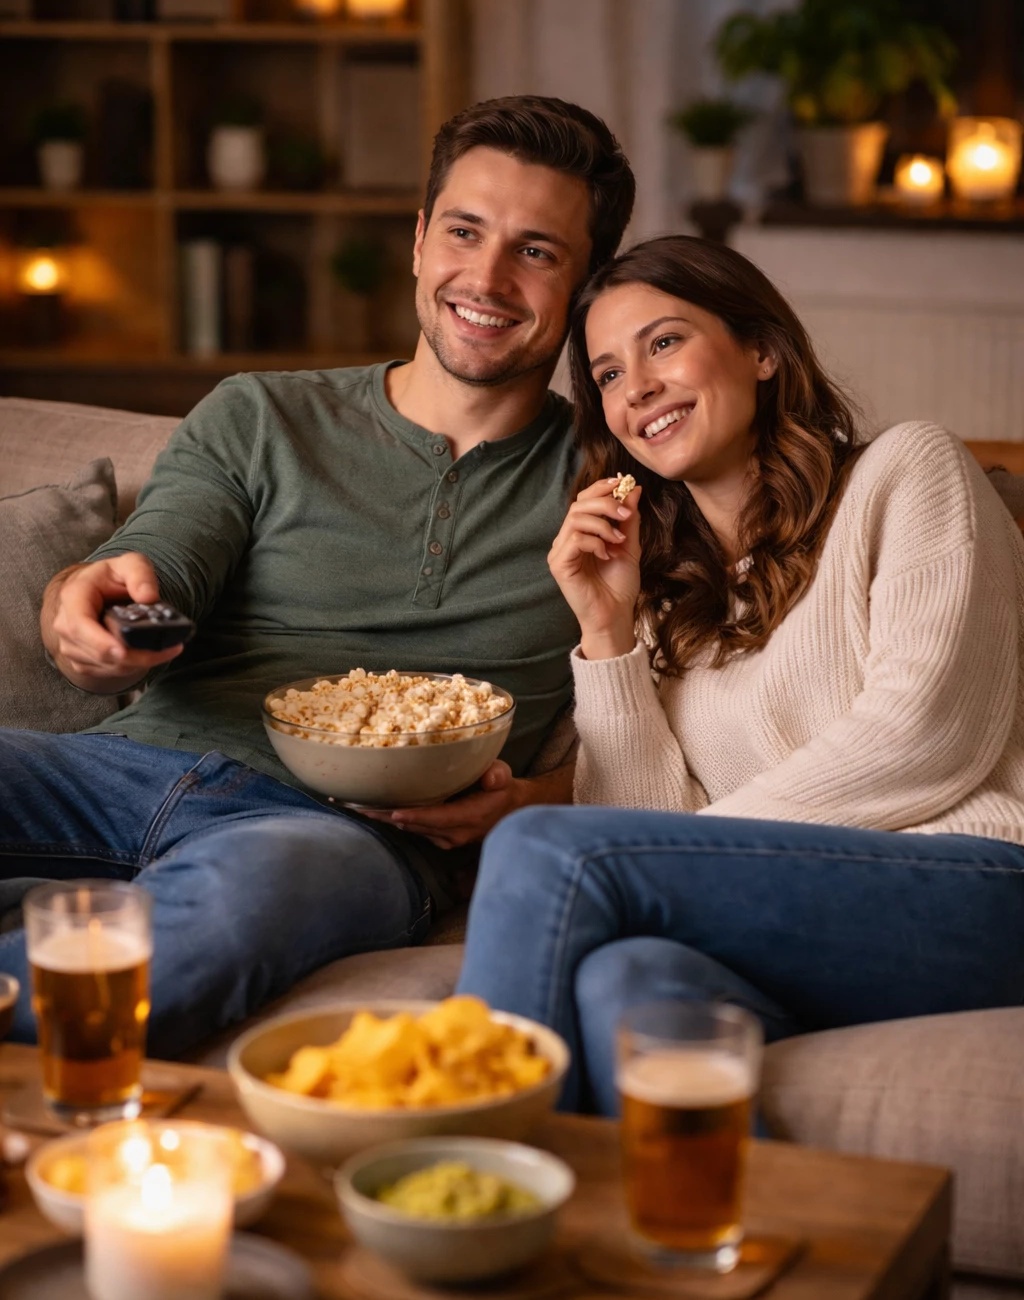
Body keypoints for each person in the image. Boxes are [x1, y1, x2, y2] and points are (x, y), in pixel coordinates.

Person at [0, 95, 636, 1058]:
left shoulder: (617, 481)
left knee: (239, 909)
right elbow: (164, 549)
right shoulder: (261, 414)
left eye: (538, 251)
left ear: (585, 288)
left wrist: (531, 799)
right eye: (465, 231)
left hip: (334, 839)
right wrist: (81, 604)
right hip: (116, 768)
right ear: (420, 241)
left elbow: (696, 731)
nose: (489, 277)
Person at [456, 234, 1024, 1114]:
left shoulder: (908, 471)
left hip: (981, 887)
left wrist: (684, 849)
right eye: (606, 374)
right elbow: (649, 832)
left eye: (664, 341)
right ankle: (712, 1246)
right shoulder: (667, 602)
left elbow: (926, 738)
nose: (635, 386)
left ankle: (462, 1184)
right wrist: (605, 631)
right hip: (808, 919)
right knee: (628, 983)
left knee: (540, 849)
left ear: (761, 351)